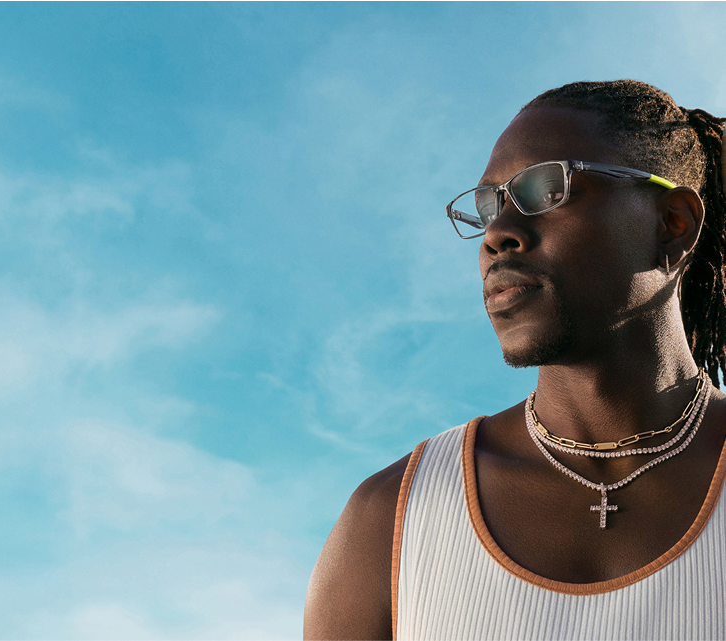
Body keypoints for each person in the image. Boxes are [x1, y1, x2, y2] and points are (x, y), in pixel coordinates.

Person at [303, 80, 726, 641]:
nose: (498, 233)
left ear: (674, 221)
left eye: (547, 187)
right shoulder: (391, 519)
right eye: (488, 206)